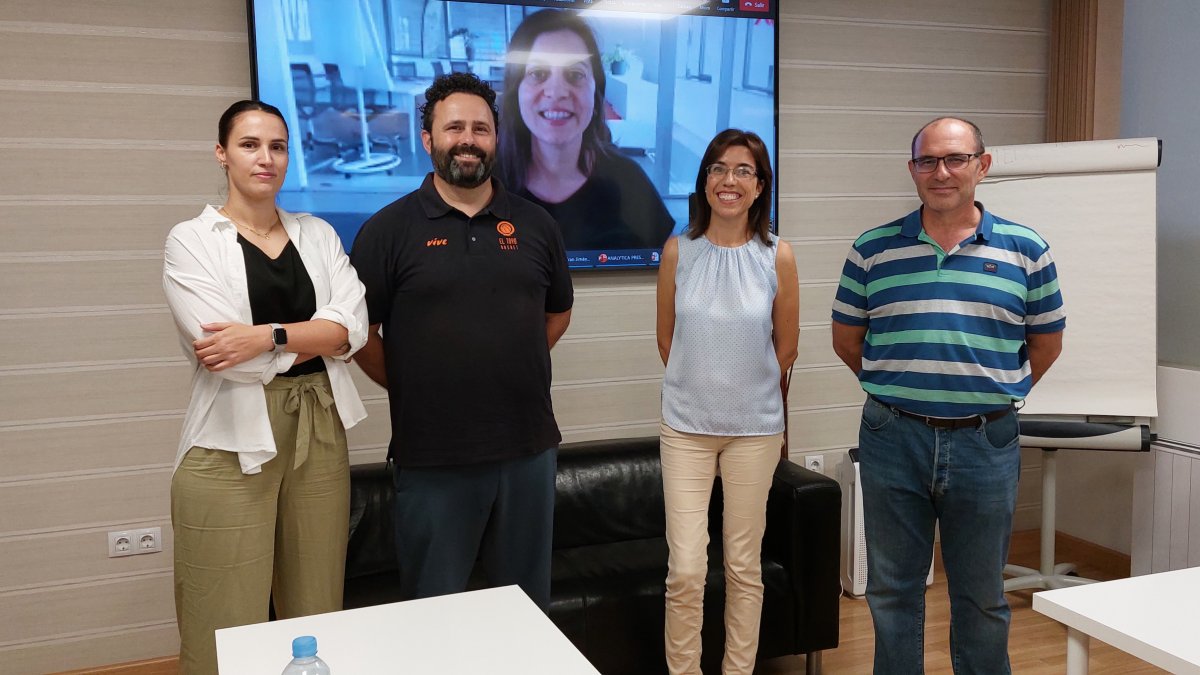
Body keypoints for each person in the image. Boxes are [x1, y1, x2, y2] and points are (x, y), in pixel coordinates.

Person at [831, 117, 1066, 674]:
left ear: (982, 166)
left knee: (982, 597)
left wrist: (988, 393)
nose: (942, 172)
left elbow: (1046, 345)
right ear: (912, 169)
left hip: (986, 441)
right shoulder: (873, 250)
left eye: (955, 159)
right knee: (891, 592)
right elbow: (847, 341)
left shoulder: (1026, 250)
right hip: (893, 437)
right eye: (928, 161)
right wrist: (902, 388)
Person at [350, 73, 573, 611]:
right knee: (436, 615)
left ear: (497, 138)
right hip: (432, 458)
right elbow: (361, 335)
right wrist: (413, 380)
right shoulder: (387, 231)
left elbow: (557, 314)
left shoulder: (538, 225)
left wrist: (505, 361)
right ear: (427, 139)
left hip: (527, 453)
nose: (468, 139)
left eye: (481, 128)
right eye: (454, 128)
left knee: (525, 615)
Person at [162, 100, 368, 674]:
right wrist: (314, 335)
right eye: (250, 145)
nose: (266, 158)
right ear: (222, 154)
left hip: (320, 427)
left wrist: (268, 335)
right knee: (223, 618)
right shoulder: (192, 240)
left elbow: (352, 330)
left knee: (317, 609)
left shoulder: (318, 233)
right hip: (229, 438)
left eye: (277, 146)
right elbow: (229, 361)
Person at [656, 129, 799, 675]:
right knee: (687, 570)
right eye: (718, 169)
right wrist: (705, 384)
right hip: (687, 430)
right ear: (705, 182)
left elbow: (785, 348)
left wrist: (741, 387)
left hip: (754, 432)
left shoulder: (777, 256)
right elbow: (667, 341)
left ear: (760, 186)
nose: (729, 180)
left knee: (744, 566)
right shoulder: (679, 251)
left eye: (743, 170)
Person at [498, 9, 676, 251]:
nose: (557, 91)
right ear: (515, 90)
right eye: (538, 73)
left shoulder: (629, 181)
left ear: (596, 91)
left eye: (575, 74)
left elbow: (669, 271)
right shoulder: (484, 185)